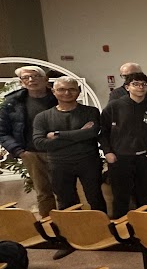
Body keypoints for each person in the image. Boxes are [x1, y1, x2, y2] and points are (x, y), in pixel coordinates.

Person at [32, 77, 107, 213]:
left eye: (72, 89)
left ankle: (101, 226)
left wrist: (58, 134)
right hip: (59, 164)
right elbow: (39, 143)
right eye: (61, 89)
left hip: (88, 162)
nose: (67, 93)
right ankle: (71, 226)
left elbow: (92, 133)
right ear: (53, 91)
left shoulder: (91, 111)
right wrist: (80, 134)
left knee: (95, 198)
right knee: (66, 202)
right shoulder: (42, 117)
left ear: (79, 91)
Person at [100, 72, 147, 219]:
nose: (140, 87)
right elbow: (103, 131)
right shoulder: (114, 106)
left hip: (145, 158)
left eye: (144, 84)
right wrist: (107, 152)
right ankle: (120, 228)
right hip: (120, 158)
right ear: (127, 87)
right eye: (135, 84)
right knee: (121, 197)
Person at [0, 65, 57, 218]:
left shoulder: (58, 97)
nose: (31, 80)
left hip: (59, 151)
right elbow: (2, 131)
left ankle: (71, 223)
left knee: (66, 190)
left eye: (35, 76)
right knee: (43, 192)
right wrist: (19, 151)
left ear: (45, 79)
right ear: (21, 82)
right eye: (26, 77)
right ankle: (49, 224)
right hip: (32, 154)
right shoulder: (12, 103)